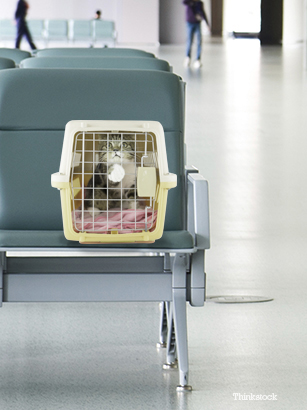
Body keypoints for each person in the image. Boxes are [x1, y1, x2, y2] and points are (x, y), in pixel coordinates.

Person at [183, 0, 210, 68]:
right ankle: (187, 57)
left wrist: (207, 23)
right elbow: (184, 2)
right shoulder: (188, 2)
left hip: (197, 23)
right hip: (190, 23)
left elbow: (203, 12)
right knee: (189, 41)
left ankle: (198, 59)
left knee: (199, 41)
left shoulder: (199, 3)